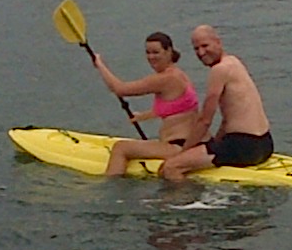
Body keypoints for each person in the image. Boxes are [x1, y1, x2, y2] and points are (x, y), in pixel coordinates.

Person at [160, 24, 273, 182]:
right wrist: (215, 142)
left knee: (171, 167)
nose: (201, 53)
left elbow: (204, 121)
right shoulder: (234, 62)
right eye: (196, 49)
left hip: (244, 147)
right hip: (265, 145)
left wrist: (182, 153)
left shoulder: (219, 70)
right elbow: (228, 119)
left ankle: (187, 197)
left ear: (218, 42)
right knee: (209, 146)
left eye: (205, 46)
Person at [92, 32, 203, 177]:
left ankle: (110, 185)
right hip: (192, 143)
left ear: (169, 51)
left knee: (120, 148)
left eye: (156, 52)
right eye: (148, 52)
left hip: (177, 146)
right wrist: (144, 116)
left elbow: (120, 89)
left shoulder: (165, 78)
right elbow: (179, 108)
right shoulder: (180, 75)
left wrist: (100, 65)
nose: (151, 57)